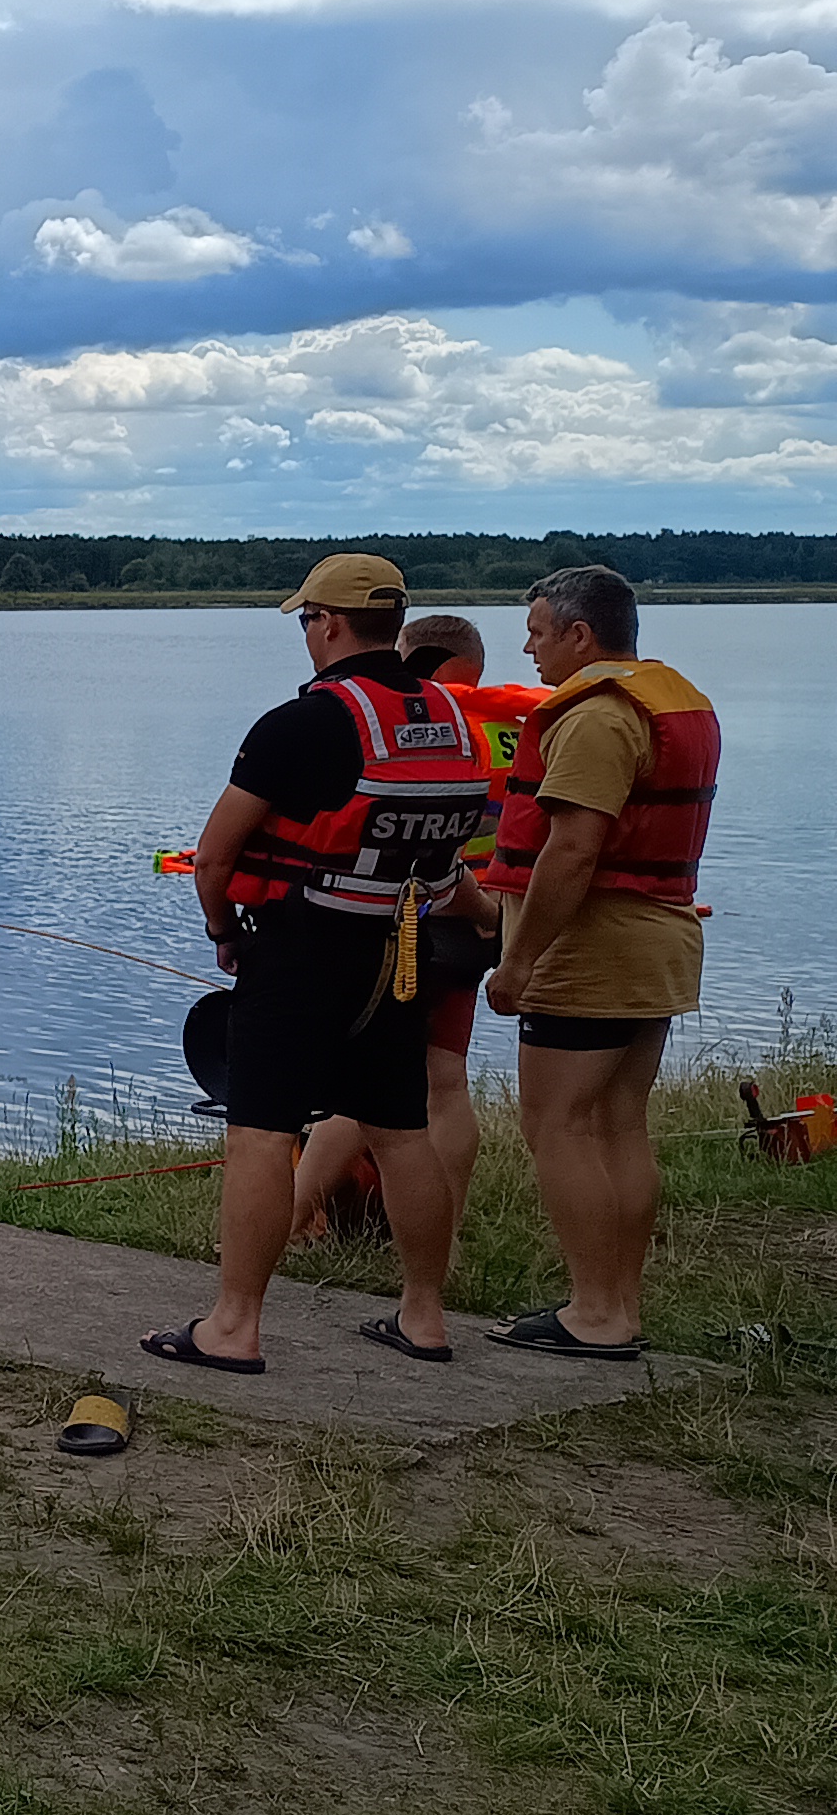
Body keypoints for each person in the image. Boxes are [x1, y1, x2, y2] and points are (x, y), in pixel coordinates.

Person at [152, 555, 491, 1372]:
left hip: (301, 950)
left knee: (260, 1133)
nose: (307, 633)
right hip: (400, 953)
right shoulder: (452, 722)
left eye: (307, 619)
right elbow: (446, 863)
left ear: (330, 623)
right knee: (402, 1130)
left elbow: (214, 858)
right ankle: (425, 1317)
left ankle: (234, 1327)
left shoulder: (298, 725)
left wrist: (223, 930)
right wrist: (488, 921)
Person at [480, 564, 718, 1360]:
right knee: (619, 1123)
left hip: (590, 952)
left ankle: (595, 1311)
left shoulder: (596, 718)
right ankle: (619, 1306)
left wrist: (518, 963)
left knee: (556, 1125)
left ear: (580, 635)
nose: (529, 648)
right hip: (658, 943)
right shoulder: (669, 699)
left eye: (538, 632)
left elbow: (573, 848)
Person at [288, 612, 525, 1256]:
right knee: (445, 1082)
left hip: (411, 918)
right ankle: (441, 1234)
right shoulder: (516, 723)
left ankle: (291, 1221)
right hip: (484, 919)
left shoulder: (425, 725)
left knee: (361, 1084)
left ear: (420, 663)